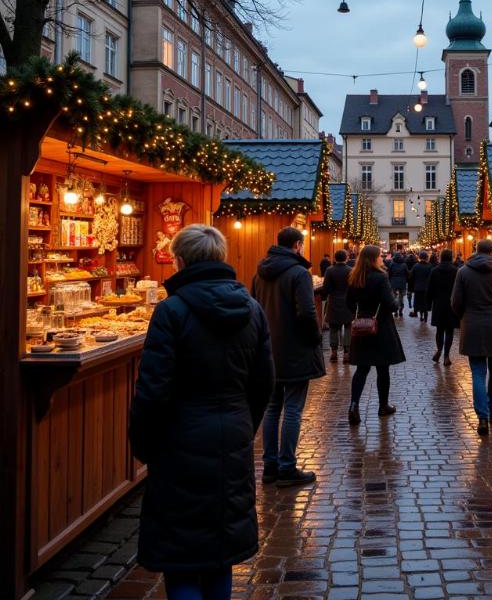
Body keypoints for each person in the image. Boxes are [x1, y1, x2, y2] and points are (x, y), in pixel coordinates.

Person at [130, 225, 273, 600]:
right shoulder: (251, 310)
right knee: (219, 552)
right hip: (232, 434)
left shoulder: (171, 311)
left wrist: (144, 444)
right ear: (221, 258)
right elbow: (263, 382)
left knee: (181, 555)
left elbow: (152, 390)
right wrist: (244, 424)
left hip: (180, 440)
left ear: (179, 259)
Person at [251, 226, 325, 487]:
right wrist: (316, 338)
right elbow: (306, 313)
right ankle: (287, 466)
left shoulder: (260, 273)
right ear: (297, 245)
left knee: (272, 409)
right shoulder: (298, 273)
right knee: (293, 408)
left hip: (268, 349)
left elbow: (254, 309)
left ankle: (269, 465)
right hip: (295, 349)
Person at [451, 238, 492, 436]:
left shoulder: (463, 271)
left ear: (476, 250)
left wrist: (464, 317)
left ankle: (482, 416)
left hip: (473, 325)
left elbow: (456, 301)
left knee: (478, 372)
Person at [345, 245, 406, 424]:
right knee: (382, 368)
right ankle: (383, 406)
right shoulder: (380, 277)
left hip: (361, 328)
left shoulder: (355, 277)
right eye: (380, 256)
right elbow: (390, 304)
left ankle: (353, 405)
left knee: (362, 369)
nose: (382, 258)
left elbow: (349, 302)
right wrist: (395, 300)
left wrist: (359, 315)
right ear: (373, 258)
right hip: (381, 327)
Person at [427, 248, 459, 366]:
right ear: (451, 257)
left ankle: (439, 350)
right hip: (451, 304)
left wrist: (429, 303)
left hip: (438, 304)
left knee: (439, 330)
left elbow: (429, 288)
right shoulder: (456, 271)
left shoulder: (434, 271)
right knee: (449, 331)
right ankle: (446, 355)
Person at [321, 249, 353, 363]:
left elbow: (325, 288)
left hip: (333, 302)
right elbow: (353, 287)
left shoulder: (330, 270)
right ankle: (346, 353)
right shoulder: (350, 270)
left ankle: (334, 352)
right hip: (347, 302)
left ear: (334, 258)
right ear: (346, 258)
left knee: (333, 328)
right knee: (348, 327)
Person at [410, 250, 433, 323]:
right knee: (425, 303)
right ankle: (425, 316)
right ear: (426, 257)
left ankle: (420, 315)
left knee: (419, 303)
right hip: (427, 288)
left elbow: (411, 277)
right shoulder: (430, 266)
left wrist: (411, 288)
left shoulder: (416, 266)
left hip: (418, 288)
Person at [388, 250, 409, 317]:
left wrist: (390, 280)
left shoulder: (392, 264)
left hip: (393, 282)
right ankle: (401, 310)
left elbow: (389, 273)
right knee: (401, 297)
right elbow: (407, 274)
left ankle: (395, 311)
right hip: (402, 283)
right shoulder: (404, 265)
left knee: (394, 297)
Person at [405, 250, 418, 315]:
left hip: (409, 278)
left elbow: (406, 269)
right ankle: (414, 305)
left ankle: (409, 302)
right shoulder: (416, 260)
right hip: (415, 279)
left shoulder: (406, 260)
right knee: (415, 292)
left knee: (409, 291)